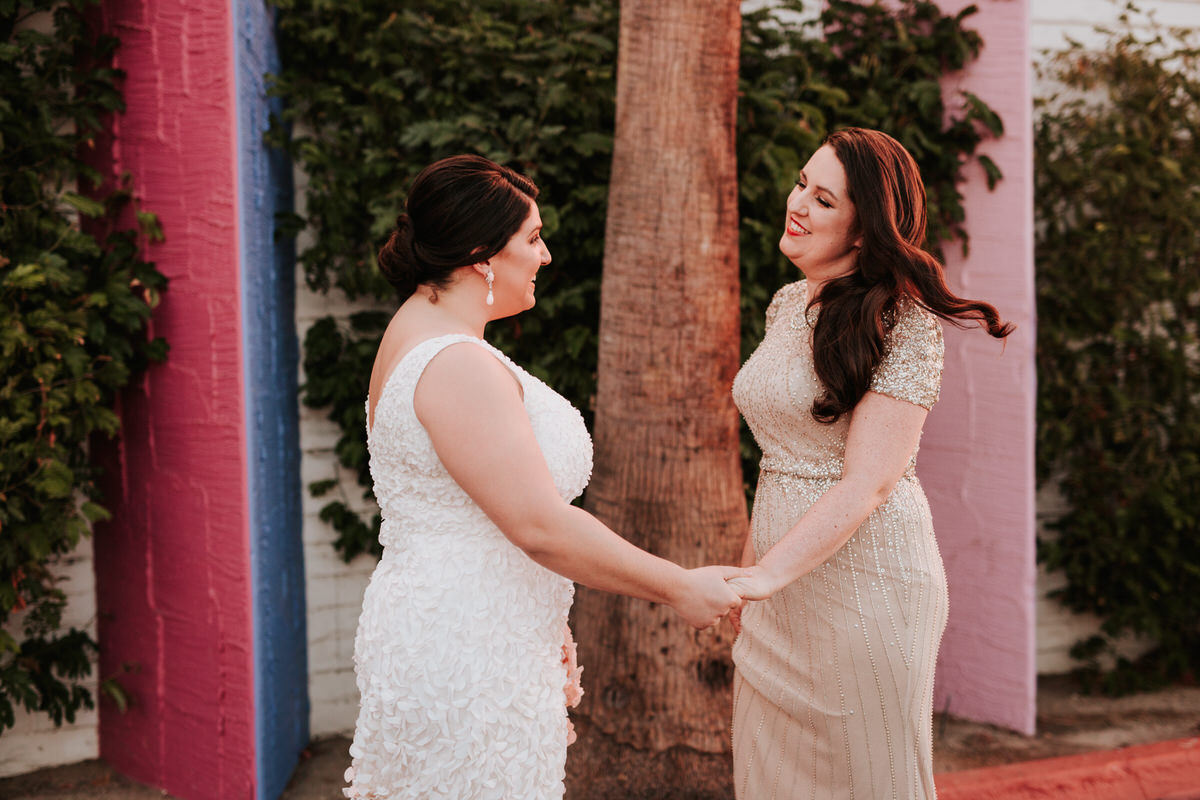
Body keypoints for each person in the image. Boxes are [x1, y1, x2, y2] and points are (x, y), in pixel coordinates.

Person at [343, 154, 745, 800]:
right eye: (532, 238)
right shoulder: (455, 364)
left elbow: (473, 513)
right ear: (480, 254)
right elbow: (538, 525)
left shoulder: (421, 333)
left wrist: (541, 615)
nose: (546, 255)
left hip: (466, 629)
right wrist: (677, 587)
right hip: (468, 656)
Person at [724, 128, 1014, 799]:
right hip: (775, 587)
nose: (796, 203)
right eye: (801, 183)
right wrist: (752, 572)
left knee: (868, 780)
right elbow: (779, 458)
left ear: (864, 231)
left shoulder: (905, 322)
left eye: (823, 199)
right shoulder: (785, 305)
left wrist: (764, 575)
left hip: (868, 588)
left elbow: (869, 482)